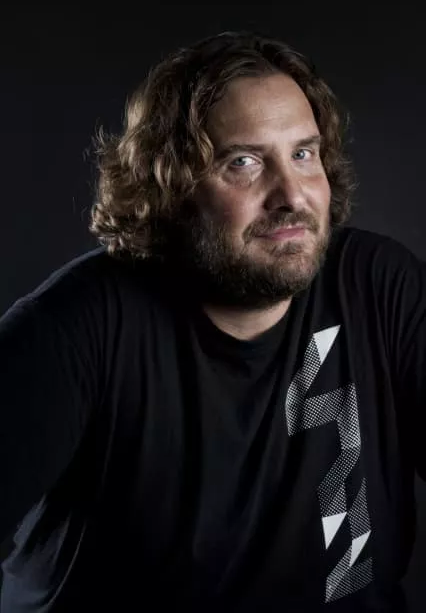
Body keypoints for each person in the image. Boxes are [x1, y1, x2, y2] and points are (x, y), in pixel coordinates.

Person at [0, 30, 424, 613]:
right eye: (243, 162)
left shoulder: (376, 286)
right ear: (171, 187)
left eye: (303, 154)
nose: (291, 195)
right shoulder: (77, 329)